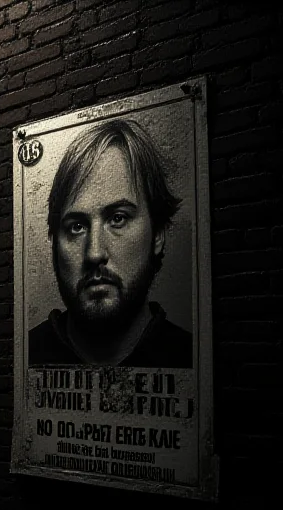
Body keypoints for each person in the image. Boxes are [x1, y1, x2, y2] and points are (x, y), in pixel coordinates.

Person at [28, 118, 192, 368]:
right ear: (54, 242)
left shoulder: (193, 357)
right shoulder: (25, 355)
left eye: (118, 219)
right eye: (77, 226)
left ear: (158, 233)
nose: (94, 253)